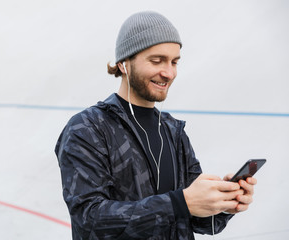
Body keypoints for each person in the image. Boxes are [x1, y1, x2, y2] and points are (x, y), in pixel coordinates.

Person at [55, 11, 256, 240]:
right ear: (124, 64)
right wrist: (180, 202)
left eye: (174, 62)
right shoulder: (87, 128)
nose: (168, 72)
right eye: (156, 60)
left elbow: (194, 219)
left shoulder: (173, 130)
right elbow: (89, 220)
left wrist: (221, 205)